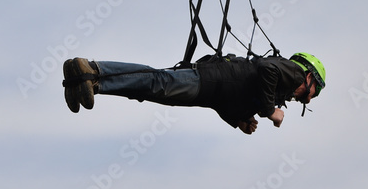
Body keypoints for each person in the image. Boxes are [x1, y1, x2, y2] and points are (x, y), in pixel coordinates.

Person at [62, 53, 326, 134]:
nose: (309, 98)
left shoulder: (275, 90)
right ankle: (94, 69)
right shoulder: (292, 72)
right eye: (315, 91)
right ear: (309, 76)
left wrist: (239, 119)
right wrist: (270, 111)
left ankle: (88, 83)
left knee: (152, 90)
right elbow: (267, 69)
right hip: (210, 79)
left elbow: (224, 103)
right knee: (158, 82)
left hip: (209, 92)